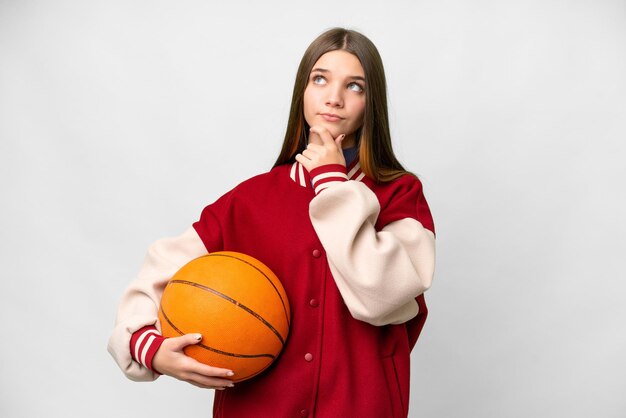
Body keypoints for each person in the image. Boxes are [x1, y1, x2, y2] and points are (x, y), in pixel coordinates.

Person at [108, 27, 436, 418]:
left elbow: (382, 297)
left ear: (371, 103)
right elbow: (159, 270)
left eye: (355, 86)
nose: (334, 97)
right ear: (302, 91)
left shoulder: (400, 195)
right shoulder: (249, 200)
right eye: (320, 79)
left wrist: (332, 184)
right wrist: (151, 348)